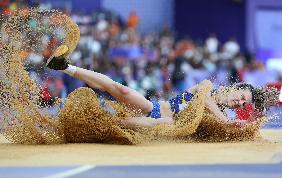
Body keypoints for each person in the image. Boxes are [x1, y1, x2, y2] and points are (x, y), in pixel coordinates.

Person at [46, 45, 279, 129]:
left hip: (160, 125)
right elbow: (204, 101)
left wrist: (239, 126)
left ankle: (98, 125)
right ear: (233, 87)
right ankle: (65, 66)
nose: (239, 103)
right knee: (122, 90)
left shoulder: (221, 118)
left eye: (243, 104)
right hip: (154, 108)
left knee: (166, 122)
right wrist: (228, 121)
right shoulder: (208, 87)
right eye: (241, 96)